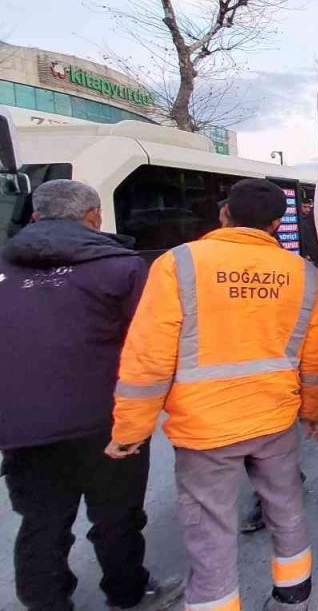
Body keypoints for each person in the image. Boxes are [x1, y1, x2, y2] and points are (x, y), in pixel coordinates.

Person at [108, 179, 318, 611]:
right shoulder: (303, 274)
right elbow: (313, 358)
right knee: (285, 509)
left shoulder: (179, 264)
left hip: (204, 429)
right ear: (275, 223)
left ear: (224, 213)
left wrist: (131, 430)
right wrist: (313, 412)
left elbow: (148, 356)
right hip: (274, 418)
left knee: (210, 530)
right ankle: (293, 598)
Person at [0, 179, 184, 611]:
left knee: (41, 521)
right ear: (94, 217)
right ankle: (128, 592)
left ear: (35, 215)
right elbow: (149, 346)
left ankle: (47, 602)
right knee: (117, 515)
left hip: (20, 424)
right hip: (107, 419)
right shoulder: (122, 268)